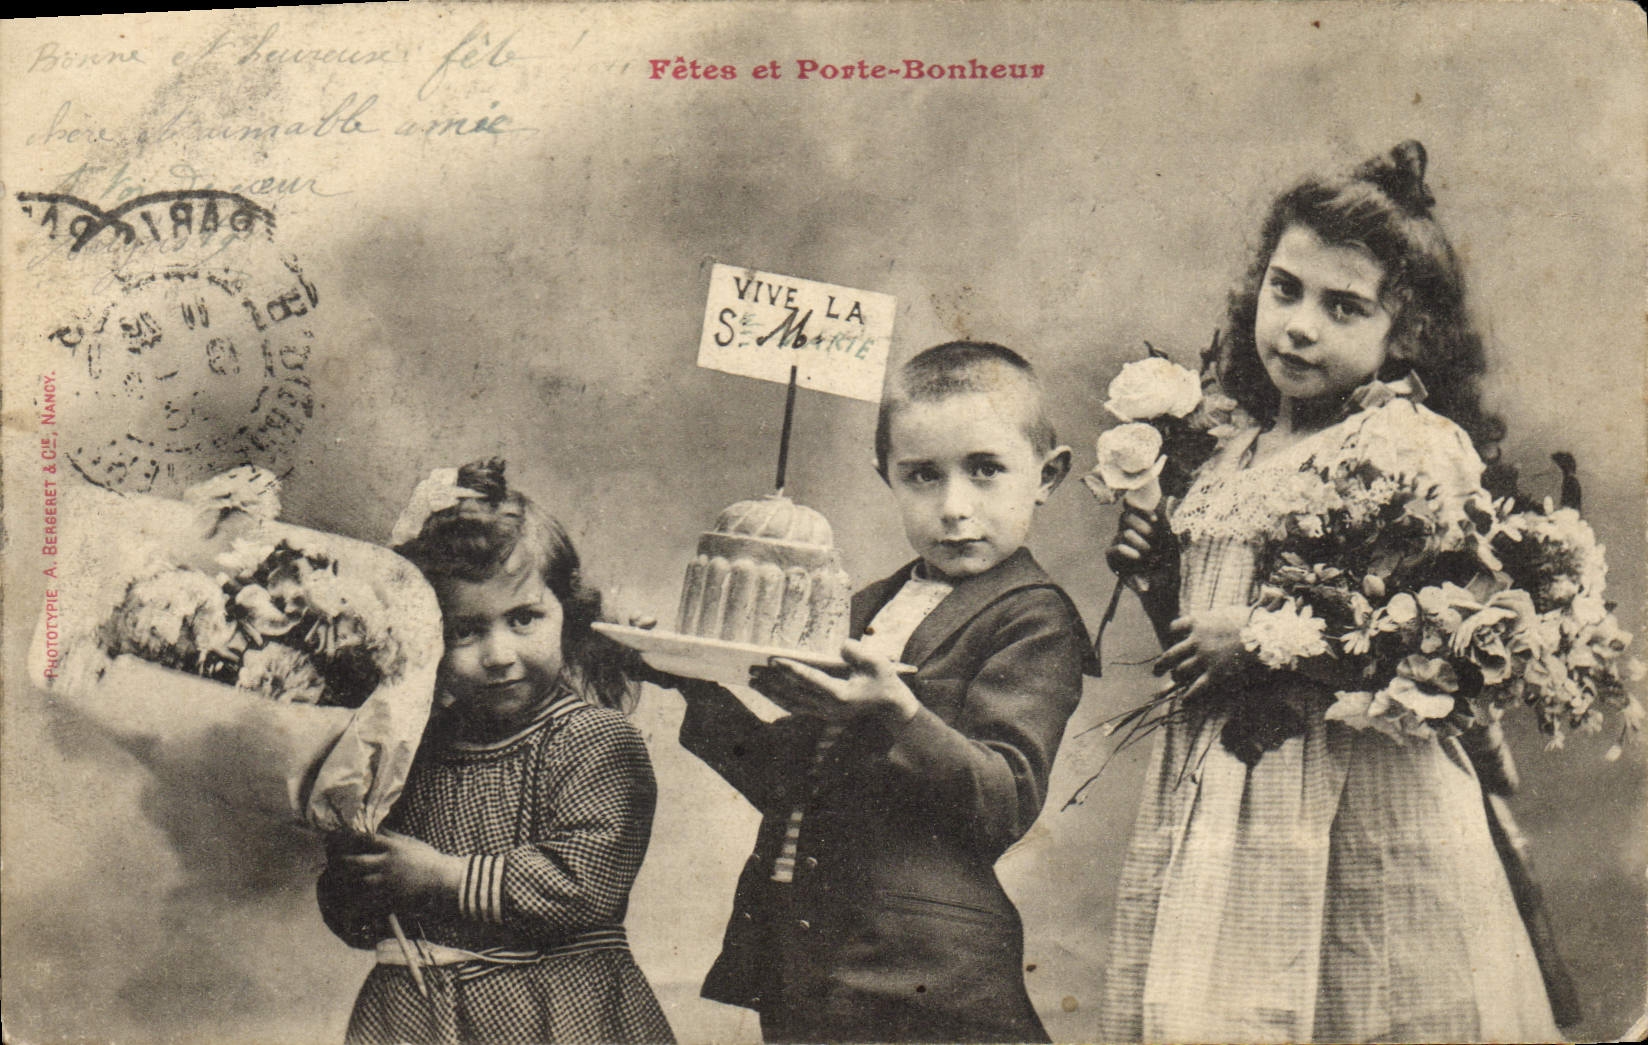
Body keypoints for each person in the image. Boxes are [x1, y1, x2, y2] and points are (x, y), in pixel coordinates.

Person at [1096, 141, 1562, 1043]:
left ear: (1406, 335)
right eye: (1285, 289)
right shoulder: (1227, 451)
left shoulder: (1401, 443)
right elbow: (1195, 641)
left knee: (1365, 991)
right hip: (1227, 796)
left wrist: (1267, 638)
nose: (1299, 325)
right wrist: (1158, 569)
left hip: (1356, 790)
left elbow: (1429, 629)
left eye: (1342, 307)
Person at [672, 341, 1093, 1043]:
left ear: (1047, 475)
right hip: (806, 946)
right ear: (886, 476)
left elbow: (1006, 797)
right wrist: (689, 683)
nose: (955, 506)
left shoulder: (1033, 615)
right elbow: (792, 776)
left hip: (922, 971)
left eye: (986, 470)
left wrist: (897, 711)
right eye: (923, 475)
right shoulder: (869, 604)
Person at [316, 459, 674, 1045]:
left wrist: (444, 878)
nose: (499, 653)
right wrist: (356, 870)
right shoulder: (409, 750)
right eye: (465, 631)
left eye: (525, 618)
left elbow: (584, 883)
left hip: (554, 1012)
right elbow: (361, 924)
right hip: (416, 1014)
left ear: (570, 617)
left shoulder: (592, 739)